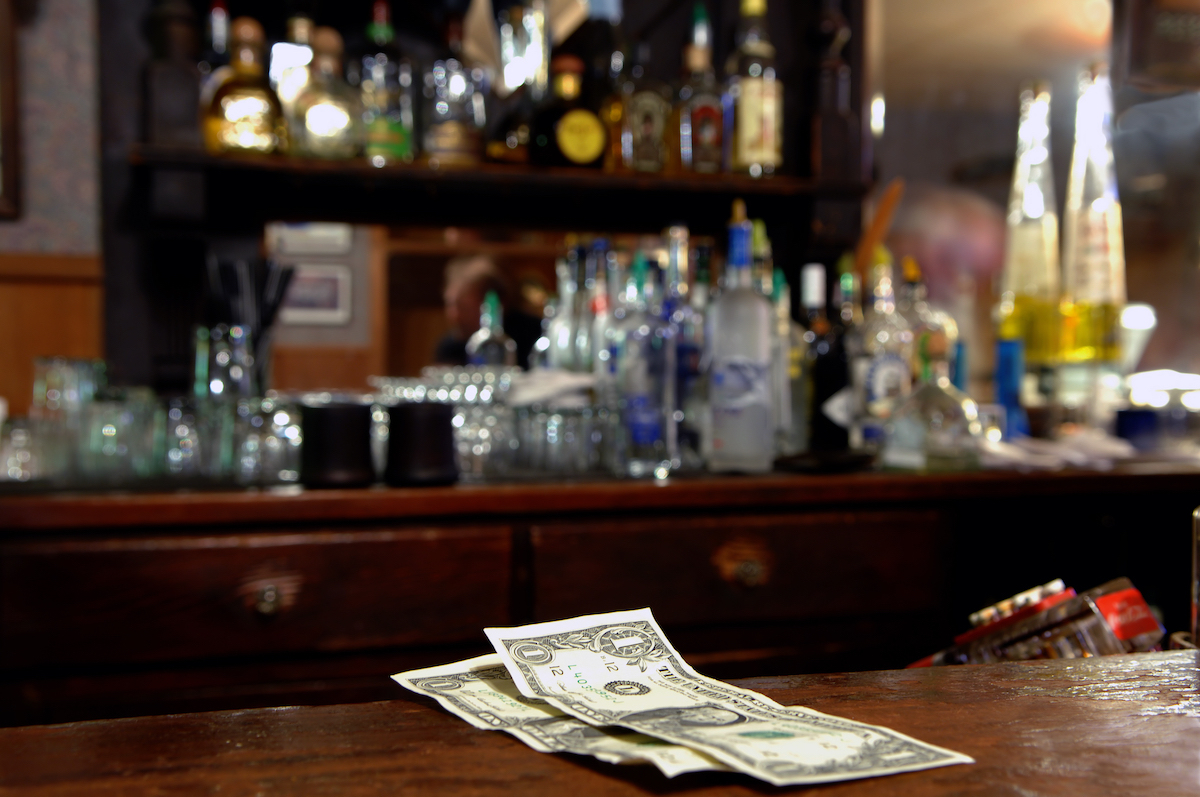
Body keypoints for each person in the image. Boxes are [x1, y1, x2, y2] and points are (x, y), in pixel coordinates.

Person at [433, 255, 542, 368]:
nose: (454, 315)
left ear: (495, 304)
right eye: (450, 305)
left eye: (465, 308)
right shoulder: (450, 347)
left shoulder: (534, 335)